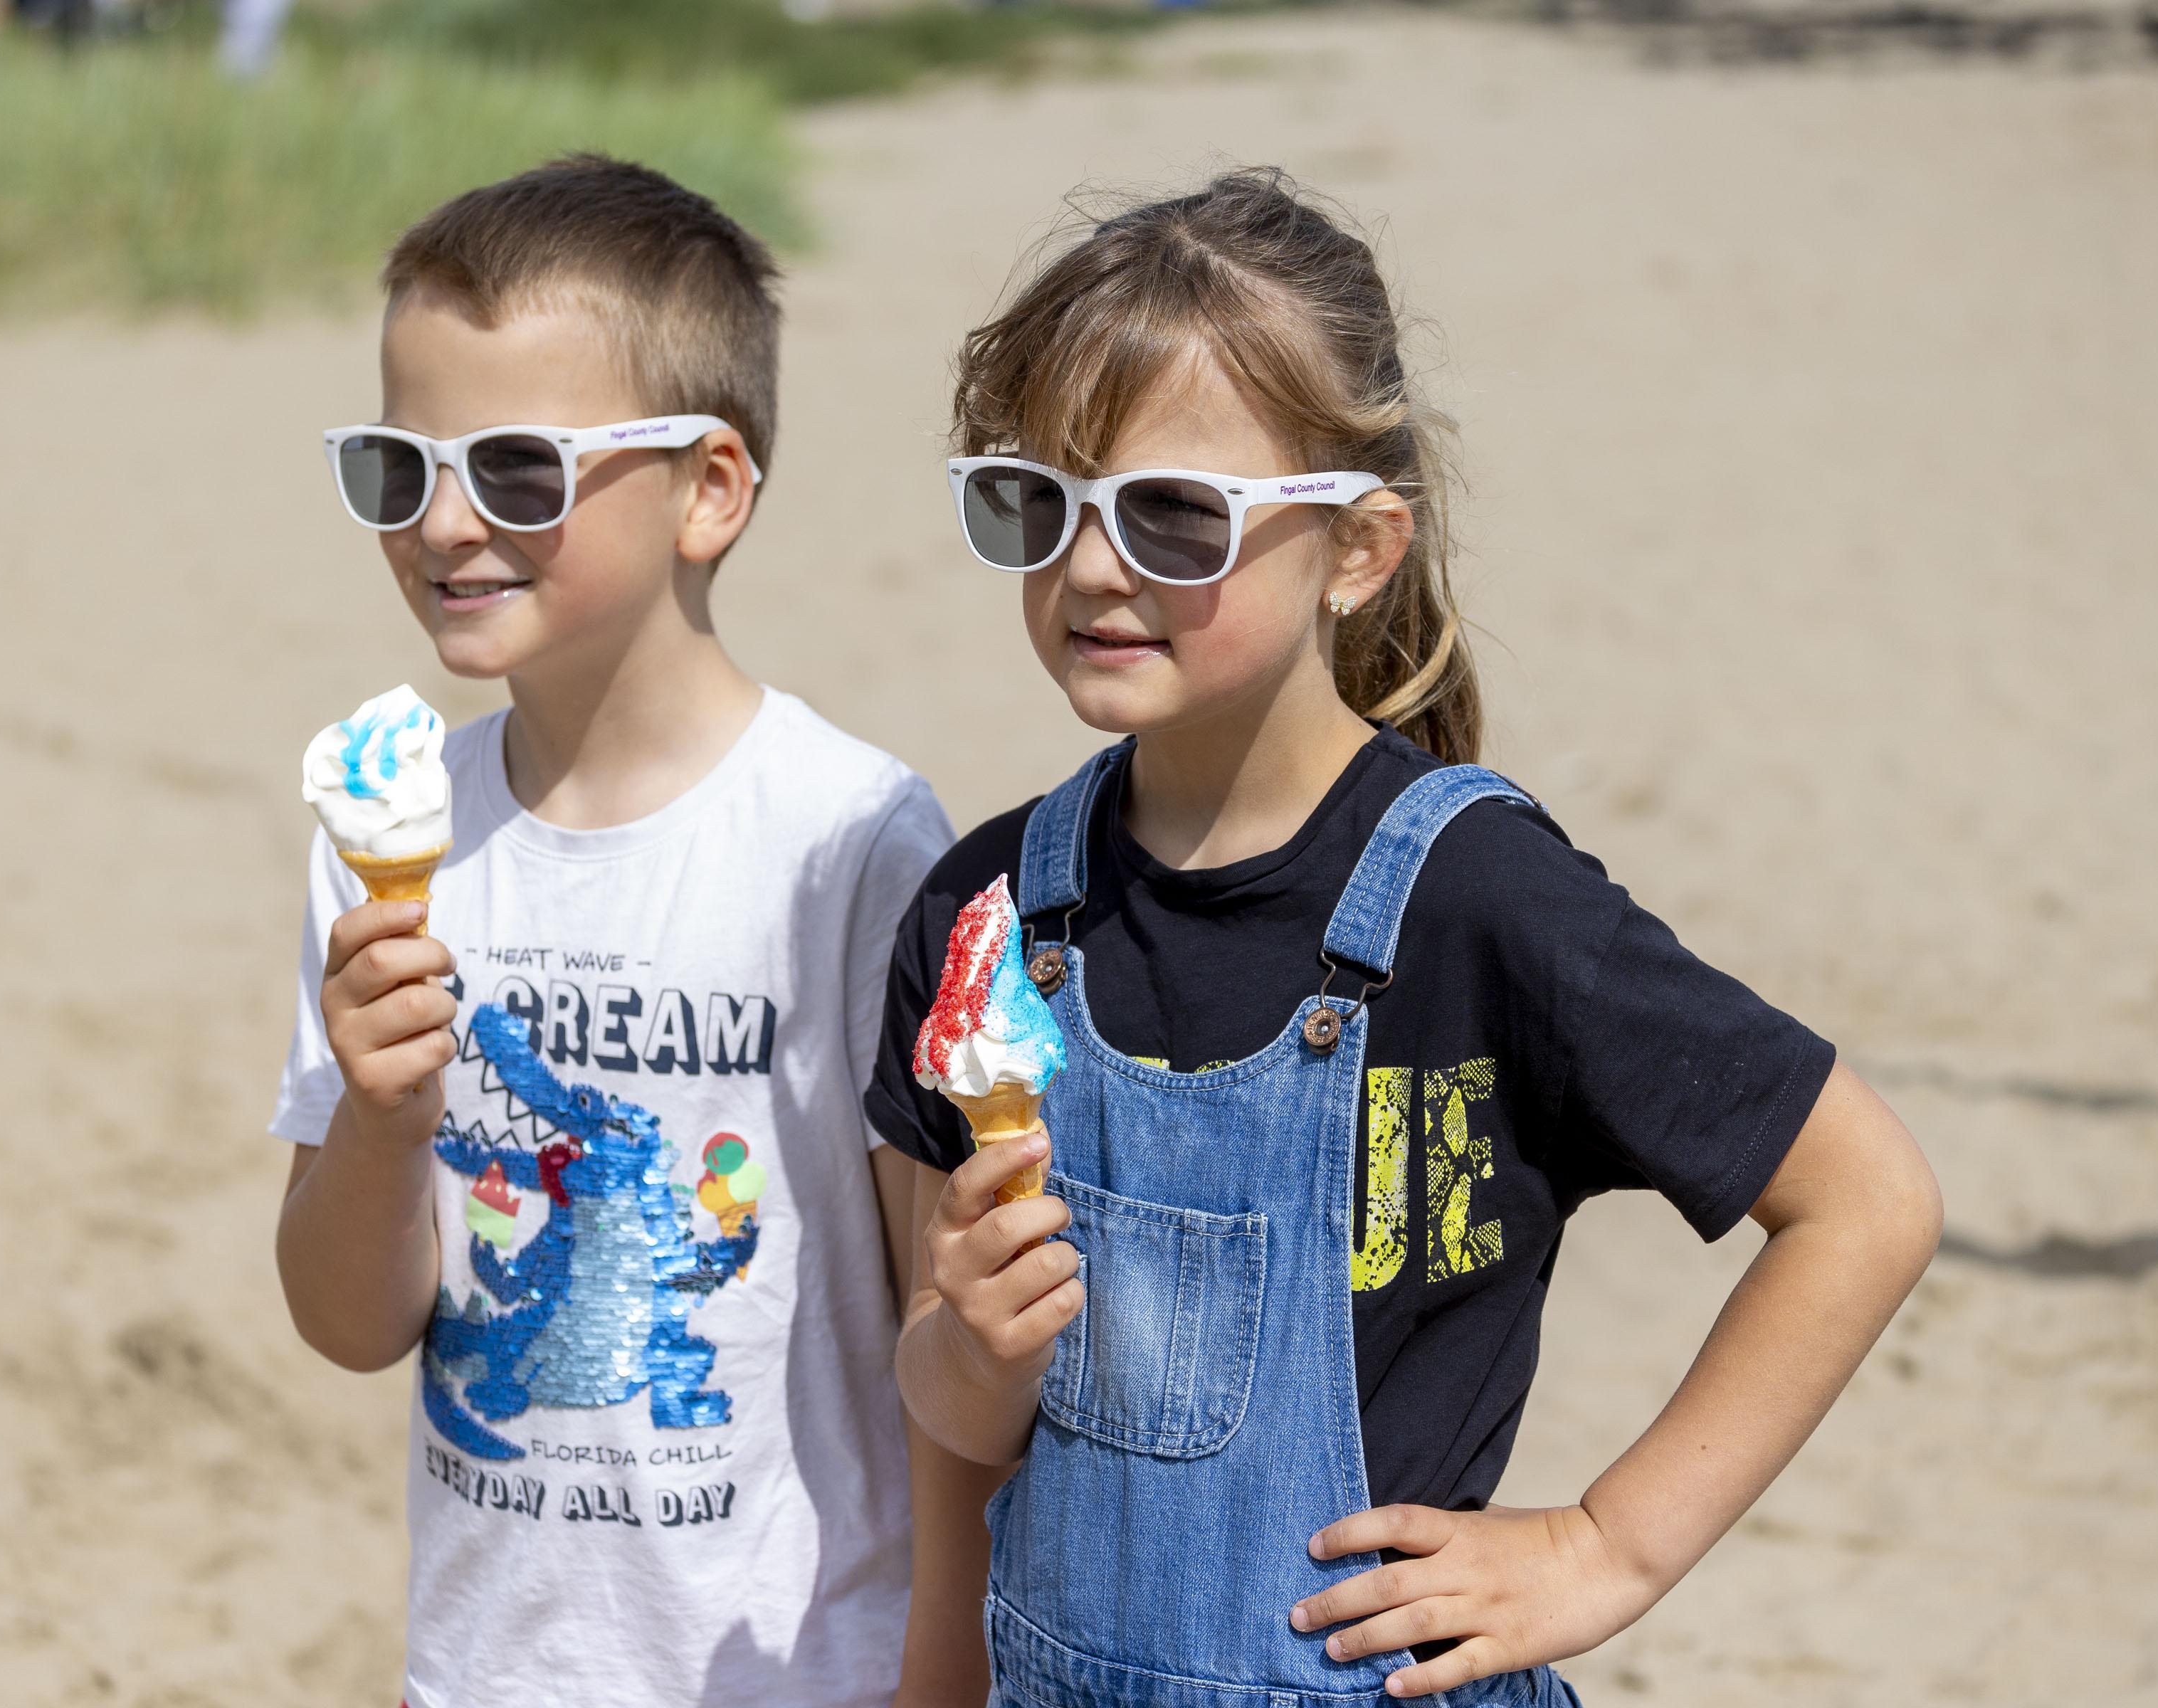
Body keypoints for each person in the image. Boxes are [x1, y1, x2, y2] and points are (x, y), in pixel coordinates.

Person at [865, 168, 1943, 1707]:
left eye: (1174, 514)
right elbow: (947, 1419)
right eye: (1035, 502)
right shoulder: (983, 917)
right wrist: (968, 1354)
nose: (1093, 567)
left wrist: (1601, 1547)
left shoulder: (1480, 902)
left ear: (1360, 550)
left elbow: (1866, 1198)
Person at [271, 156, 997, 1708]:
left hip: (805, 1666)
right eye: (401, 469)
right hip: (483, 1667)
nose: (447, 524)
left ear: (710, 488)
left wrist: (945, 1649)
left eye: (523, 470)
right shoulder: (393, 836)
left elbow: (940, 1328)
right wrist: (387, 1129)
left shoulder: (855, 841)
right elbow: (346, 1325)